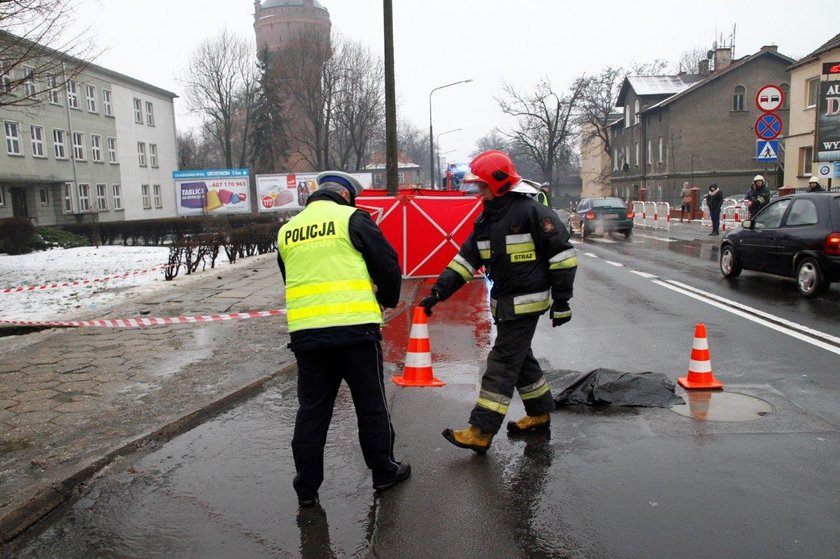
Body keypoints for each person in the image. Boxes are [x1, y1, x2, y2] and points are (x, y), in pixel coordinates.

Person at [418, 150, 577, 454]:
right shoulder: (487, 220)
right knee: (521, 360)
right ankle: (539, 413)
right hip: (505, 303)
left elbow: (563, 256)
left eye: (482, 185)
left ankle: (481, 430)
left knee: (502, 362)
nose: (479, 192)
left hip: (526, 303)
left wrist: (562, 300)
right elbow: (465, 261)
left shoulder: (531, 212)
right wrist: (438, 292)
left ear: (498, 182)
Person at [277, 170, 409, 507]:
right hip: (355, 332)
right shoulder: (353, 219)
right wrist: (388, 299)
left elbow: (289, 277)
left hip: (307, 335)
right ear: (347, 195)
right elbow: (388, 263)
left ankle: (306, 489)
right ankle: (383, 473)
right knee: (370, 404)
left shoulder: (288, 231)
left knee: (312, 412)